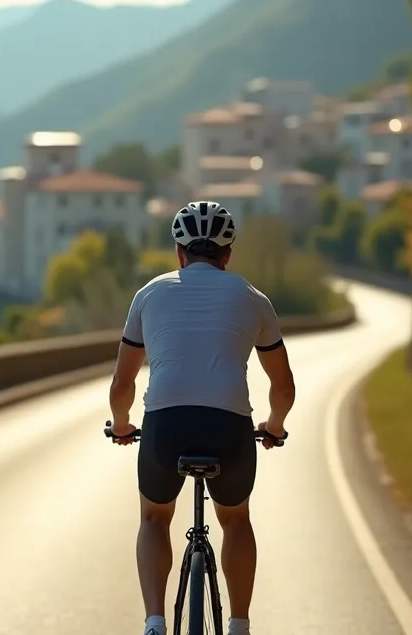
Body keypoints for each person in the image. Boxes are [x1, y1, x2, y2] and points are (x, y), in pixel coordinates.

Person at [107, 201, 297, 635]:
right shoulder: (254, 299)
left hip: (165, 425)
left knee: (155, 518)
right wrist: (275, 425)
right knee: (235, 520)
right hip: (229, 426)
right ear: (227, 255)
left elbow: (123, 385)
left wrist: (121, 426)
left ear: (179, 252)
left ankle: (154, 622)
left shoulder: (149, 294)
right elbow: (283, 386)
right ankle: (239, 625)